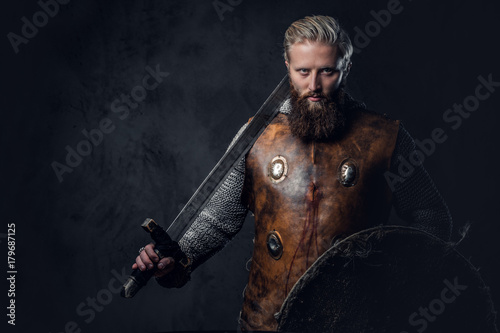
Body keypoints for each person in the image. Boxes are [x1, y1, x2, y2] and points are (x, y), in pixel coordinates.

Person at [132, 15, 452, 331]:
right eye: (303, 71)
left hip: (357, 321)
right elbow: (216, 222)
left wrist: (398, 278)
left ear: (346, 67)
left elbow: (431, 214)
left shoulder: (385, 137)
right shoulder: (256, 136)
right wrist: (175, 261)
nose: (314, 86)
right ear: (287, 65)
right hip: (267, 323)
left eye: (327, 71)